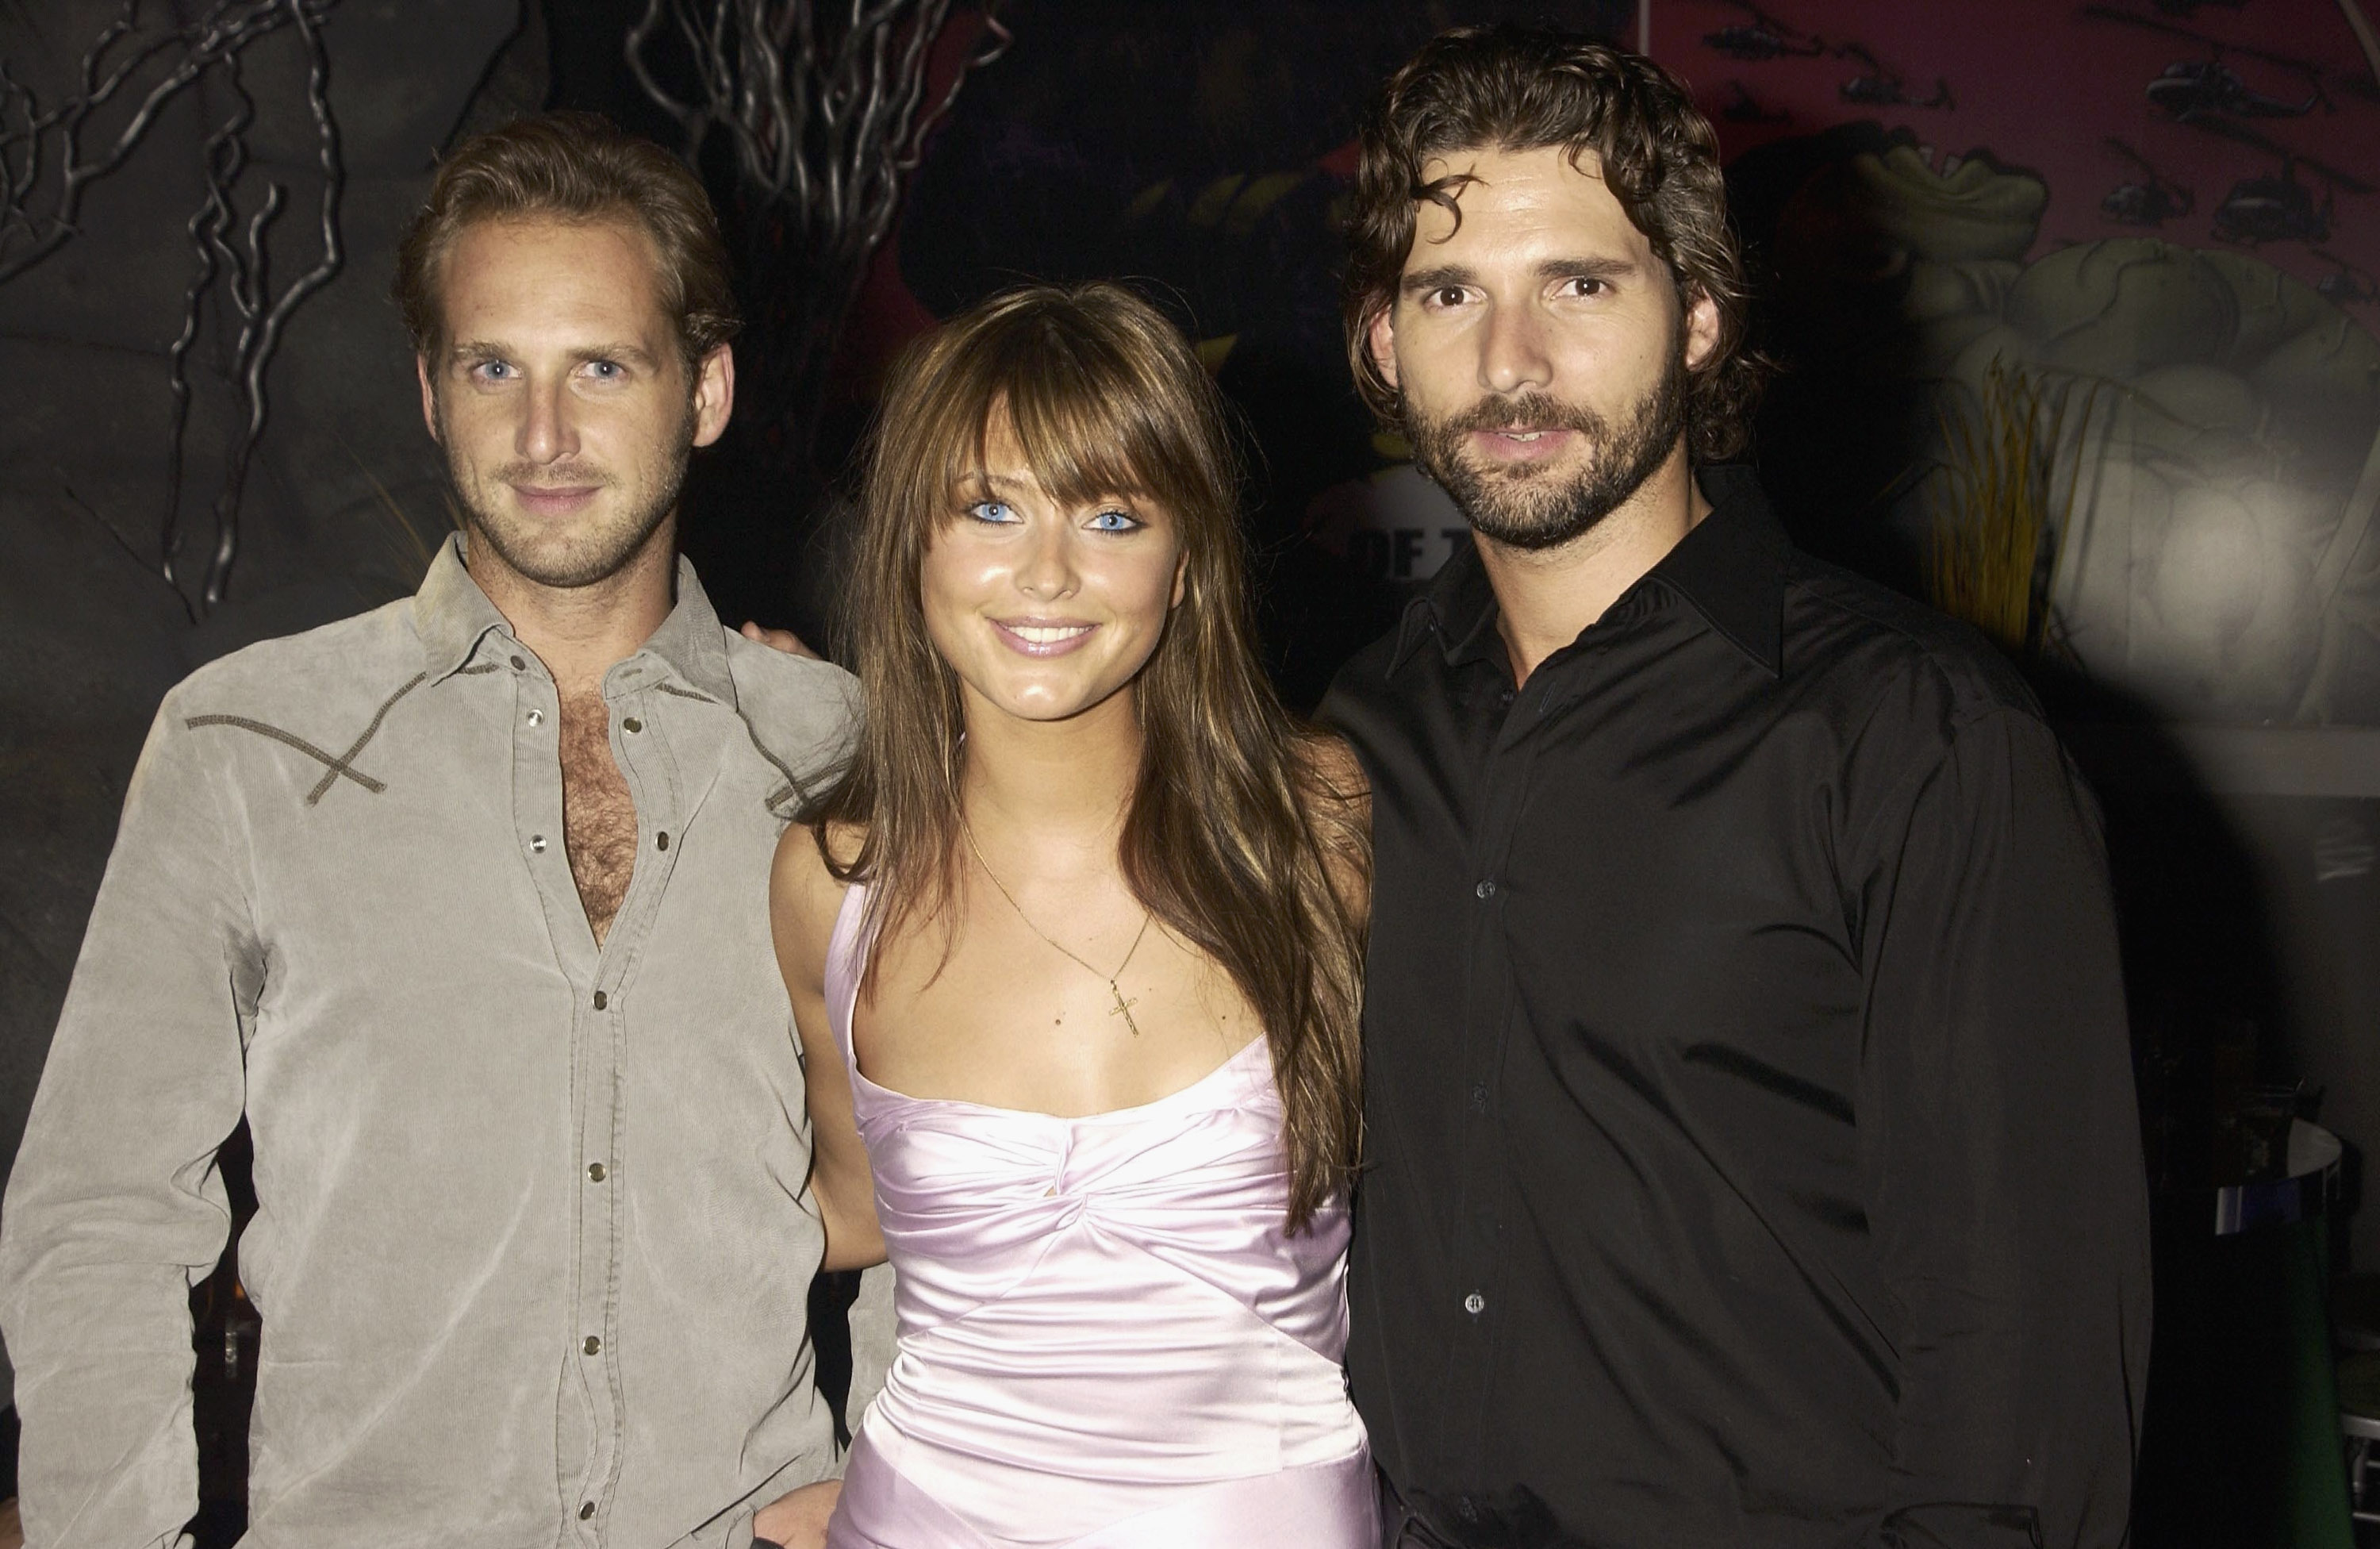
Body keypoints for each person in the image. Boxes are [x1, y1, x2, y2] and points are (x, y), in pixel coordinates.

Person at [1321, 26, 2152, 1549]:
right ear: (1383, 344)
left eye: (1580, 285)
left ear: (1699, 316)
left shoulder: (1918, 737)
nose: (1510, 362)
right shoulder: (1353, 738)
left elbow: (2023, 1363)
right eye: (1450, 294)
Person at [0, 113, 874, 1549]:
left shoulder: (841, 747)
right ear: (428, 391)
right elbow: (101, 1216)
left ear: (708, 390)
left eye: (602, 367)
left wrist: (912, 1501)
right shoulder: (245, 744)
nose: (544, 436)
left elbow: (948, 1184)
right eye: (493, 368)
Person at [769, 281, 1377, 1548]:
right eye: (991, 509)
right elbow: (847, 1211)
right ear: (913, 544)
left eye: (1111, 516)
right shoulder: (833, 884)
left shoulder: (1319, 830)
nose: (1047, 573)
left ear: (1186, 557)